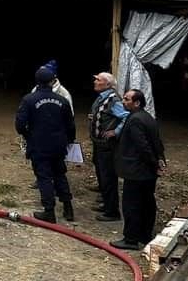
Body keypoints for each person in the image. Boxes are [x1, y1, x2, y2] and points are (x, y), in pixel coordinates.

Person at [15, 64, 76, 224]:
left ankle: (49, 211)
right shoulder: (62, 100)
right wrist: (69, 141)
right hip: (58, 145)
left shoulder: (29, 99)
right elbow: (71, 125)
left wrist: (29, 135)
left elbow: (20, 125)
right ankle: (68, 208)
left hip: (39, 144)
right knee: (60, 174)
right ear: (52, 81)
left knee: (43, 177)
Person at [111, 89, 166, 251]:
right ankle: (144, 234)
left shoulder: (135, 120)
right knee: (147, 202)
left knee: (132, 205)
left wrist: (155, 163)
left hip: (137, 171)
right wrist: (159, 161)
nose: (123, 101)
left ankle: (131, 239)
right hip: (147, 172)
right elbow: (157, 142)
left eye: (127, 99)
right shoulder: (148, 117)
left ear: (137, 103)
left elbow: (143, 146)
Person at [90, 72, 130, 222]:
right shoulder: (103, 98)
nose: (95, 81)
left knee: (108, 177)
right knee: (102, 173)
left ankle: (112, 211)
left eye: (98, 80)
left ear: (107, 84)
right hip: (99, 143)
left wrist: (116, 131)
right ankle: (106, 204)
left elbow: (126, 116)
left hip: (107, 146)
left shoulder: (113, 100)